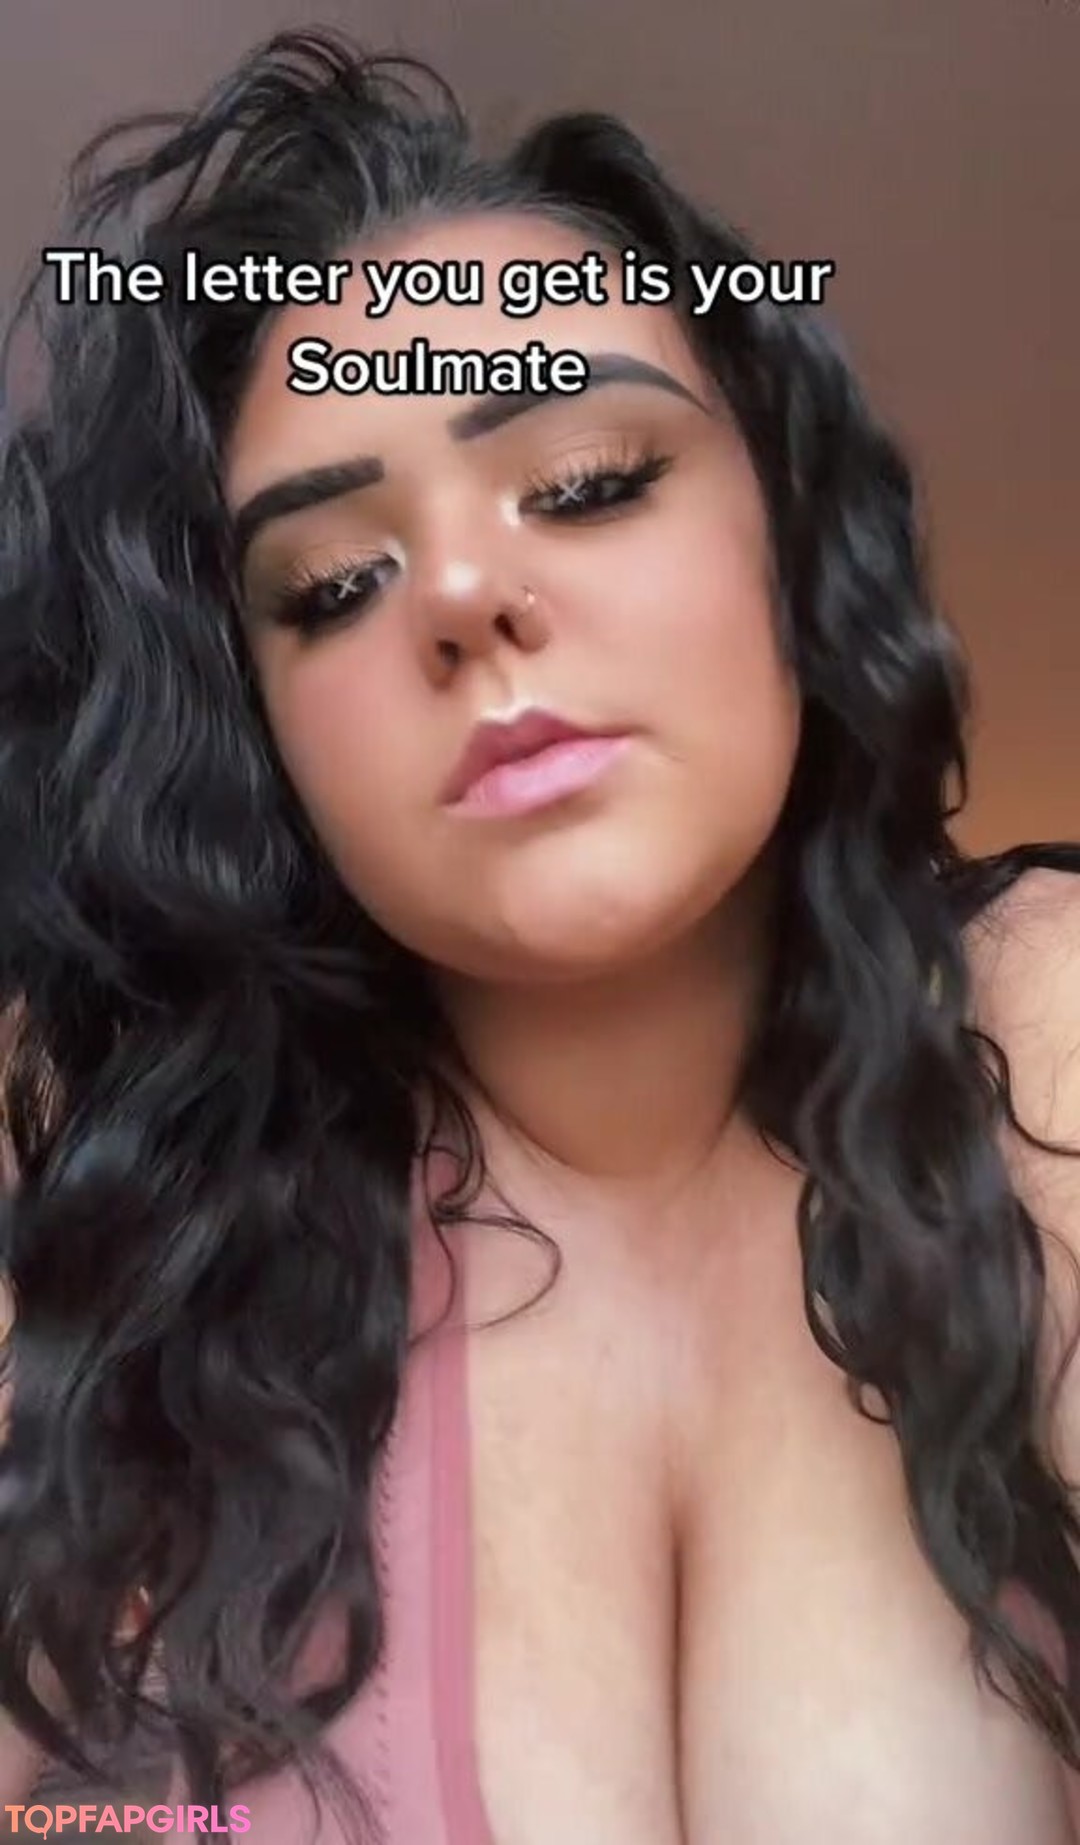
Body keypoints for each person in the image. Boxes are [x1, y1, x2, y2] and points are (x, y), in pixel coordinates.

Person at [1, 23, 1079, 1845]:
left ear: (787, 535)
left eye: (584, 482)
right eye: (332, 582)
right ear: (262, 736)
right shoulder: (138, 1308)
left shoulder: (1043, 1027)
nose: (461, 592)